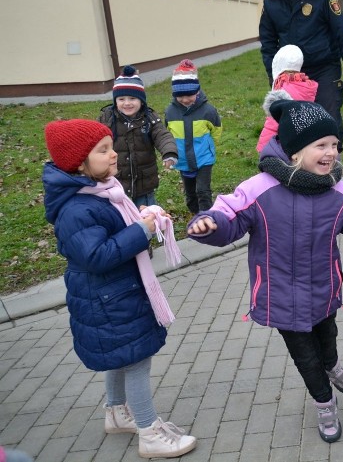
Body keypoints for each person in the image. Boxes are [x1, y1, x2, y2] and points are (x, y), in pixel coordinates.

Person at [186, 100, 343, 443]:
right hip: (280, 297)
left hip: (324, 289)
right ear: (294, 152)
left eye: (335, 145)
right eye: (321, 145)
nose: (331, 153)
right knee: (306, 357)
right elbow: (228, 217)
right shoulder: (259, 189)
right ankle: (325, 402)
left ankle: (333, 366)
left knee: (328, 339)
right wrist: (208, 223)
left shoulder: (337, 191)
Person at [42, 119, 196, 459]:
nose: (114, 155)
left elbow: (111, 233)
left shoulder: (99, 192)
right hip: (109, 298)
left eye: (112, 146)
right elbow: (97, 255)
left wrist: (140, 219)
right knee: (137, 359)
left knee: (122, 357)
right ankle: (149, 431)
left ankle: (115, 411)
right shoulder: (76, 208)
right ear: (79, 163)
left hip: (116, 293)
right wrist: (140, 231)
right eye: (103, 150)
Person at [259, 0, 343, 151]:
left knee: (329, 115)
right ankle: (299, 165)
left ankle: (333, 163)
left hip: (324, 67)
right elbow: (268, 42)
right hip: (291, 73)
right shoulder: (271, 1)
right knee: (292, 120)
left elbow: (341, 28)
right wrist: (274, 76)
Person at [97, 66, 178, 207]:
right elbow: (93, 139)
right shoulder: (107, 119)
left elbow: (162, 135)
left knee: (146, 213)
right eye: (121, 99)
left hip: (144, 181)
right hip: (116, 180)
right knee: (120, 213)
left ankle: (150, 229)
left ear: (142, 101)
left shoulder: (149, 118)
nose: (127, 103)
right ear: (115, 101)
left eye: (133, 98)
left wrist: (169, 152)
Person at [164, 59, 222, 214]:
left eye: (189, 95)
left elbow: (216, 128)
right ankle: (196, 215)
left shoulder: (207, 110)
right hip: (183, 160)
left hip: (203, 158)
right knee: (190, 194)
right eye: (180, 96)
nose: (185, 99)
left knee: (203, 191)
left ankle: (207, 216)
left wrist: (210, 145)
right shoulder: (170, 112)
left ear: (197, 91)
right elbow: (167, 133)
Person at [256, 44, 318, 153]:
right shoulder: (304, 87)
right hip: (302, 144)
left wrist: (264, 148)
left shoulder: (284, 91)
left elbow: (273, 123)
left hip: (282, 148)